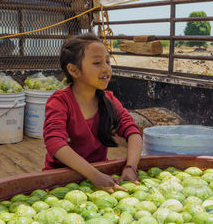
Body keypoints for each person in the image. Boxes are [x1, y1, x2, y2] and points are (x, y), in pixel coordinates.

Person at [43, 32, 143, 193]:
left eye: (108, 61)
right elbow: (56, 144)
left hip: (101, 176)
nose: (106, 68)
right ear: (74, 70)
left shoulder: (108, 100)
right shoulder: (60, 102)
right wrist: (94, 175)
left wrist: (131, 167)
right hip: (62, 181)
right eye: (97, 63)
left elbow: (133, 132)